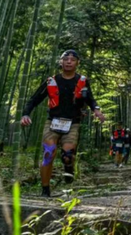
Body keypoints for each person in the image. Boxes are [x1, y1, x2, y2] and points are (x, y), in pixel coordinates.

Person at [21, 49, 105, 197]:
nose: (68, 62)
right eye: (66, 59)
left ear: (77, 63)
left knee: (67, 154)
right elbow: (34, 99)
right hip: (52, 122)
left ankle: (68, 168)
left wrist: (96, 110)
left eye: (72, 59)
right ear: (61, 62)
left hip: (73, 122)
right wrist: (25, 114)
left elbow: (90, 99)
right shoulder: (51, 81)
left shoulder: (82, 81)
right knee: (48, 153)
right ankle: (45, 190)